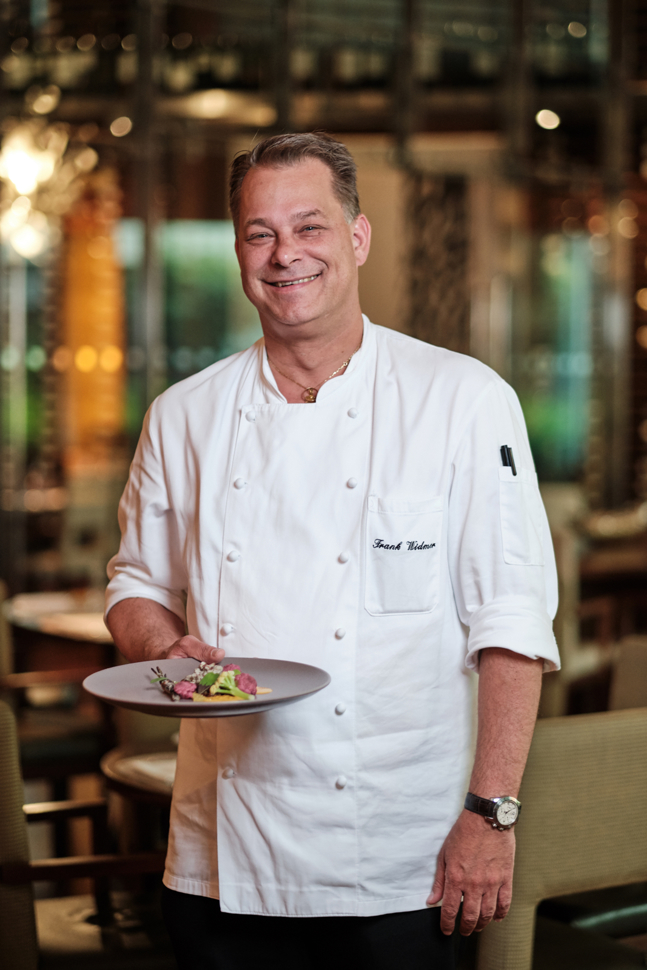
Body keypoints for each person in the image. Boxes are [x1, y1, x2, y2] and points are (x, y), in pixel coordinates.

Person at [105, 132, 560, 970]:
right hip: (219, 858)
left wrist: (489, 816)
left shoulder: (461, 400)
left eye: (309, 227)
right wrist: (165, 651)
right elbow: (134, 584)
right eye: (259, 233)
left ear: (357, 237)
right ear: (238, 248)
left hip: (404, 857)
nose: (285, 256)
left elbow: (511, 623)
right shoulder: (183, 414)